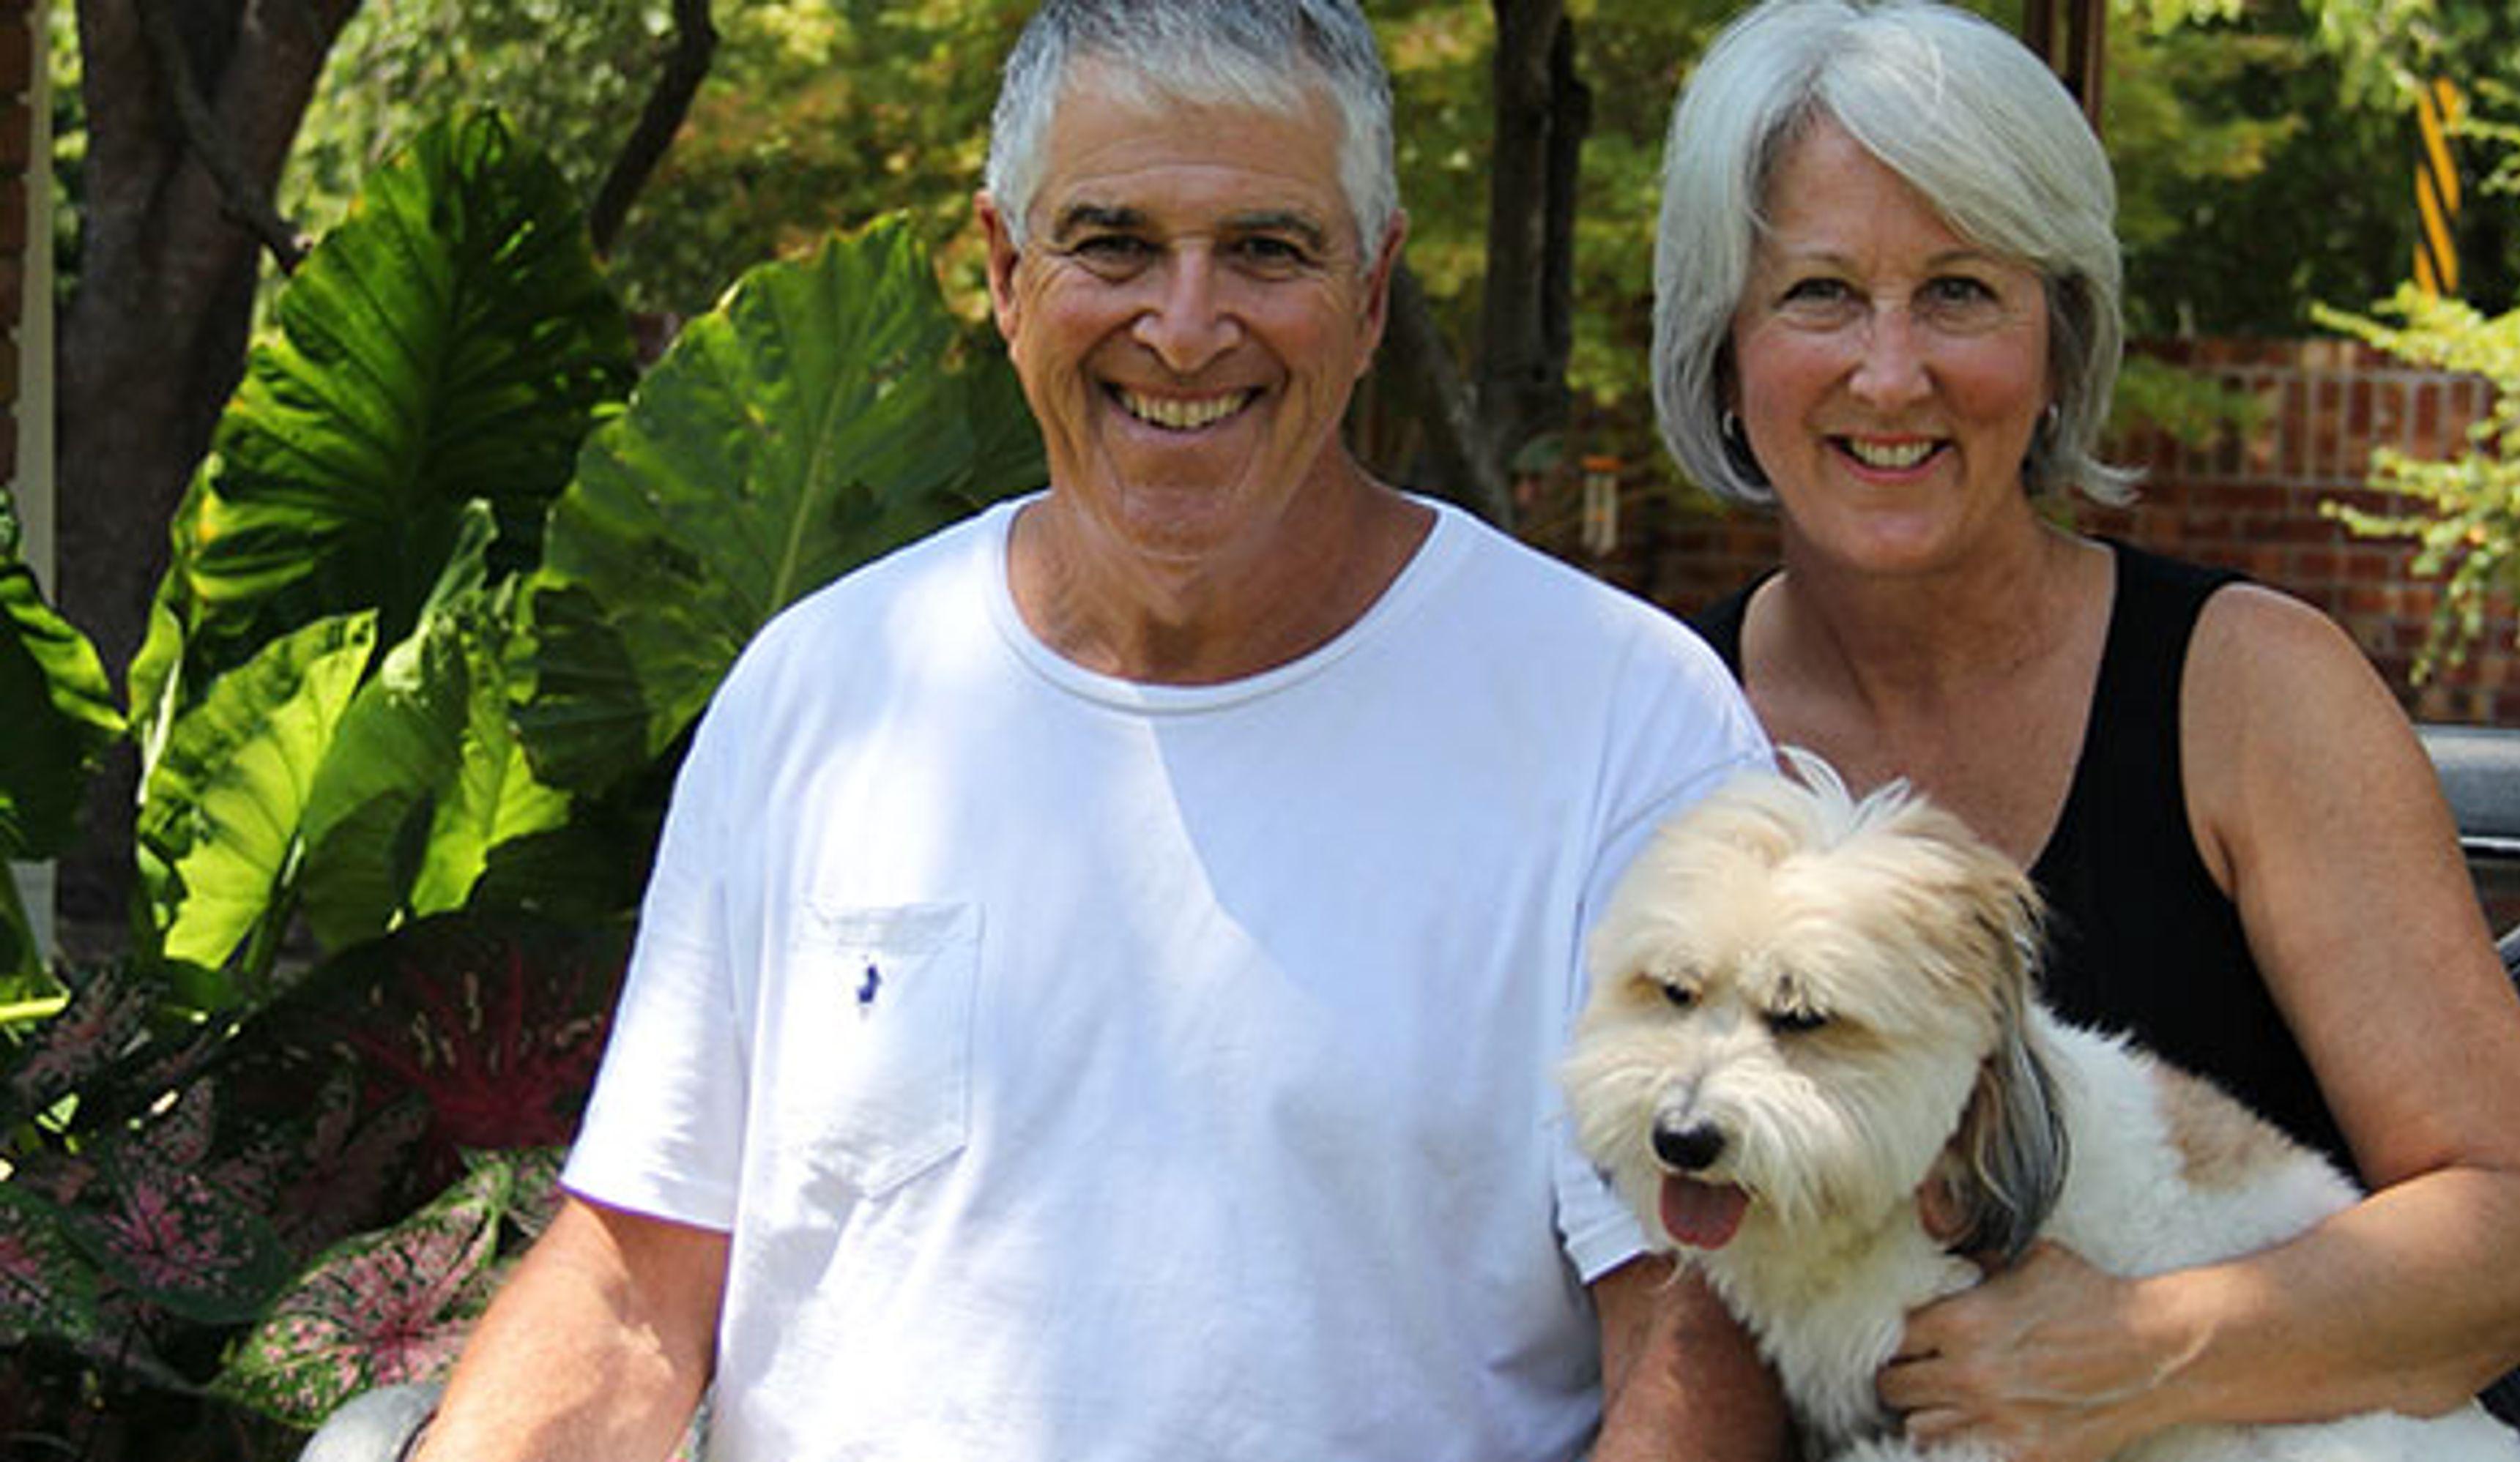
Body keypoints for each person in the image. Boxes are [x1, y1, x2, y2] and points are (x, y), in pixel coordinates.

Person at [375, 3, 1794, 1460]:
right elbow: (634, 1290)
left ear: (1372, 294)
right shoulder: (825, 693)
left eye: (1265, 248)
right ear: (1003, 269)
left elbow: (1694, 1335)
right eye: (1111, 244)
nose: (1182, 327)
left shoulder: (1612, 721)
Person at [1646, 2, 2520, 1459]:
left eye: (1958, 293)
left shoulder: (2247, 694)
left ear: (2056, 337)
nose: (1889, 375)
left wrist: (2146, 1349)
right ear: (1722, 344)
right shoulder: (1654, 719)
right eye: (1818, 294)